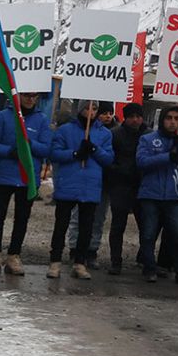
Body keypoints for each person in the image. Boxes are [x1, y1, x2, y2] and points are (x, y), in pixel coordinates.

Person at [0, 92, 52, 275]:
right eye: (27, 96)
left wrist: (30, 145)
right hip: (5, 175)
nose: (31, 99)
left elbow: (47, 148)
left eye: (34, 96)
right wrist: (9, 151)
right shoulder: (4, 116)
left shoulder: (42, 119)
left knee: (22, 218)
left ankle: (14, 255)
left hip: (27, 177)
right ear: (19, 95)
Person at [47, 100, 115, 279]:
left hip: (90, 186)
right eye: (88, 108)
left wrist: (94, 149)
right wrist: (75, 154)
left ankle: (80, 262)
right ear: (81, 109)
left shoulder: (104, 133)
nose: (91, 112)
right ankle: (55, 261)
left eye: (94, 108)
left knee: (87, 227)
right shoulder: (65, 130)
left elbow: (108, 159)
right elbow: (54, 153)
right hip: (68, 183)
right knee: (61, 225)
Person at [136, 106, 178, 284]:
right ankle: (149, 268)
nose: (172, 122)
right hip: (150, 194)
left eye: (176, 118)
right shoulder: (148, 139)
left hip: (174, 195)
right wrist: (167, 157)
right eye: (169, 118)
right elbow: (142, 162)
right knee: (148, 234)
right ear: (162, 120)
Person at [103, 102, 147, 274]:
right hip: (120, 185)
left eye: (138, 116)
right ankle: (116, 261)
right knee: (118, 225)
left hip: (142, 186)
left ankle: (144, 258)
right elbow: (109, 159)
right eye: (131, 117)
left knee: (145, 226)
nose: (135, 120)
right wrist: (117, 171)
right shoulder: (115, 135)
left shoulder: (149, 135)